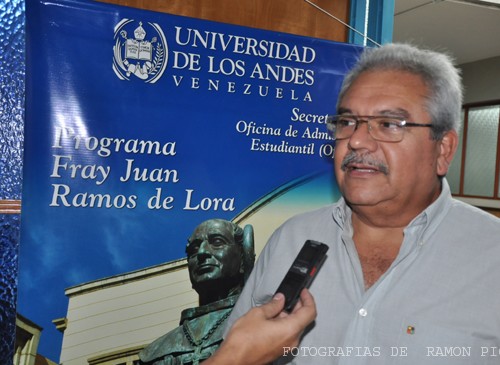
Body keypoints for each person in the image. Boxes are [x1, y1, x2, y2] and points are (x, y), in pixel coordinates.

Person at [218, 43, 500, 364]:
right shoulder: (290, 238)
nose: (356, 140)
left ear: (443, 150)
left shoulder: (493, 257)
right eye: (346, 121)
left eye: (389, 124)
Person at [139, 219, 255, 365]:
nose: (201, 252)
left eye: (217, 242)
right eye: (193, 249)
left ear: (244, 257)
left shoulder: (267, 324)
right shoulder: (156, 352)